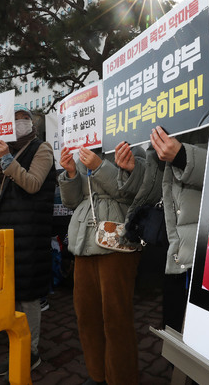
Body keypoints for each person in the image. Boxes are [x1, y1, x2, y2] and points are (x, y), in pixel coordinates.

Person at [0, 104, 56, 375]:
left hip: (29, 232)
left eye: (25, 119)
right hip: (5, 232)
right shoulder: (5, 150)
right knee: (10, 294)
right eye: (15, 120)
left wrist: (7, 159)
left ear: (32, 124)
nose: (20, 124)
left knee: (29, 295)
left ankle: (30, 352)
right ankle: (16, 346)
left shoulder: (42, 149)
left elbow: (31, 183)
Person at [59, 144, 141, 385]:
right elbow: (72, 202)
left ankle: (121, 379)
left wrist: (100, 167)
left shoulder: (131, 139)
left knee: (116, 317)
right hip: (83, 239)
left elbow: (134, 192)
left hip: (116, 240)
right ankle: (97, 375)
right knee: (86, 315)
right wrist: (71, 173)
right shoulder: (82, 146)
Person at [115, 126, 207, 333]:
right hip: (173, 245)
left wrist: (184, 157)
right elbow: (156, 187)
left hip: (206, 245)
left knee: (202, 334)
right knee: (174, 327)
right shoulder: (168, 126)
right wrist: (133, 171)